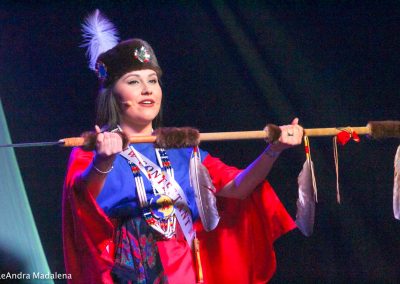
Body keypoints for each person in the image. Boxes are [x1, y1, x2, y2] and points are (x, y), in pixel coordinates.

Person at [62, 10, 303, 284]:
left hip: (185, 270)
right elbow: (83, 200)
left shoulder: (180, 149)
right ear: (113, 95)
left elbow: (237, 187)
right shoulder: (91, 151)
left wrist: (274, 150)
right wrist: (103, 162)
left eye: (152, 80)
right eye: (133, 82)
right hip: (131, 270)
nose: (147, 89)